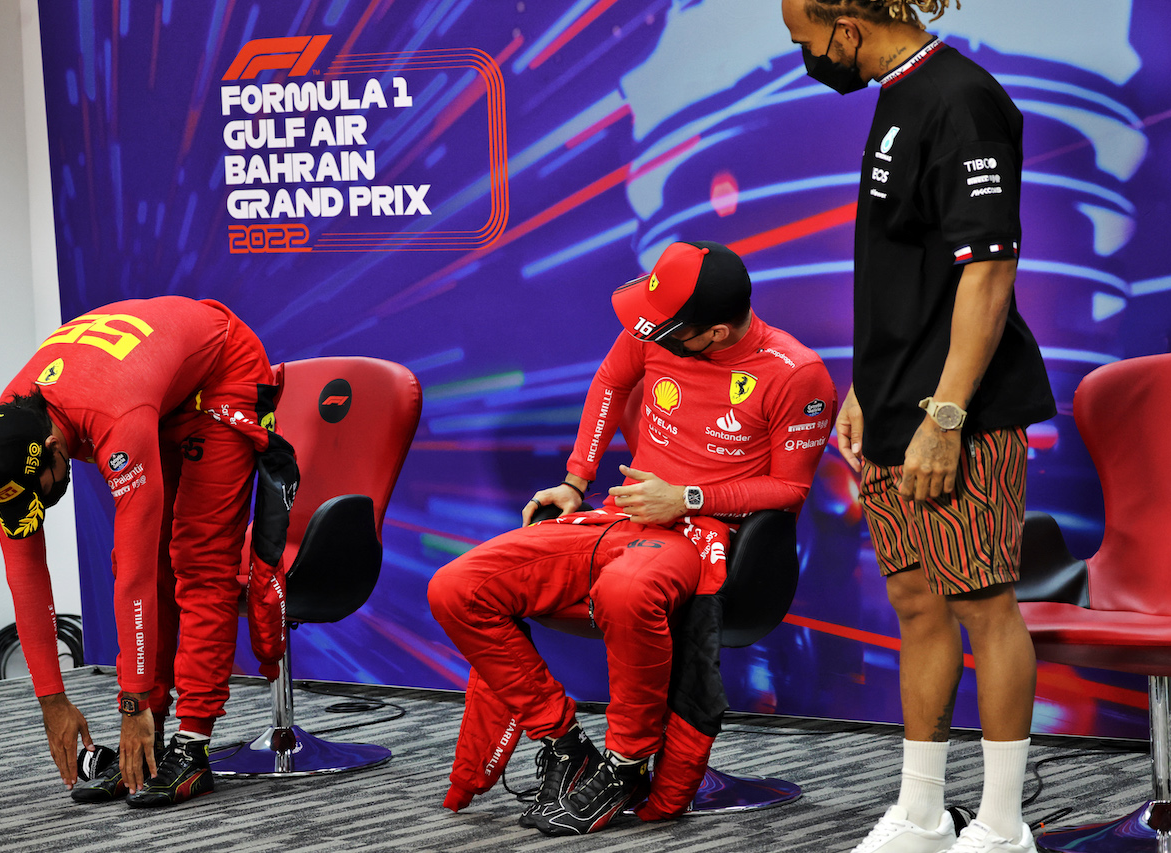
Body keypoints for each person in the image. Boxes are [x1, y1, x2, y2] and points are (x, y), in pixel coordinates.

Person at [427, 240, 836, 836]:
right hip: (618, 519)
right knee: (457, 587)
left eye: (669, 330)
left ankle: (625, 763)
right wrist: (575, 480)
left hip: (698, 536)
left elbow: (790, 490)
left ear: (716, 332)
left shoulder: (797, 374)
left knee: (624, 590)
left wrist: (688, 497)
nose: (650, 337)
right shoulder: (656, 330)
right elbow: (609, 383)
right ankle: (567, 748)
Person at [780, 2, 1057, 852]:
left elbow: (988, 274)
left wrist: (944, 414)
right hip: (895, 407)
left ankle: (1005, 826)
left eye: (805, 42)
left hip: (957, 414)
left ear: (848, 26)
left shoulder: (962, 99)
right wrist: (868, 390)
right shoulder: (893, 96)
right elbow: (906, 272)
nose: (805, 57)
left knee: (983, 602)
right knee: (915, 601)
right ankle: (925, 812)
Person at [0, 296, 298, 807]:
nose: (36, 509)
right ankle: (151, 737)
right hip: (153, 385)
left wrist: (131, 702)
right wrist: (51, 699)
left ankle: (192, 744)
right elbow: (26, 575)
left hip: (220, 371)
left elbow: (135, 577)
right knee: (147, 560)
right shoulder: (7, 443)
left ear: (55, 449)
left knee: (196, 560)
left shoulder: (114, 417)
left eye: (39, 491)